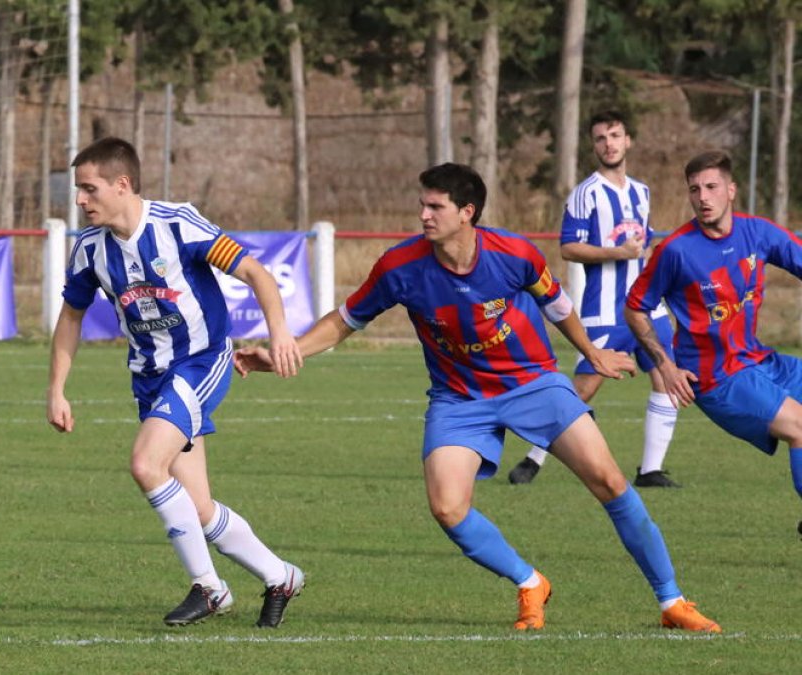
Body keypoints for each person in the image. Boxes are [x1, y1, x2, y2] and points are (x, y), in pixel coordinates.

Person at [236, 163, 719, 633]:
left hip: (532, 383)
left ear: (467, 212)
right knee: (447, 507)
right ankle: (530, 582)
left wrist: (593, 353)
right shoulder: (400, 266)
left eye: (435, 206)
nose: (423, 215)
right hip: (458, 399)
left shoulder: (514, 253)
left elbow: (559, 306)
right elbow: (344, 321)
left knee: (610, 481)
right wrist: (288, 351)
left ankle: (671, 600)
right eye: (422, 205)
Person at [47, 137, 306, 628]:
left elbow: (255, 272)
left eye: (88, 188)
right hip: (149, 378)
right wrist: (56, 389)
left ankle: (209, 589)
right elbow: (71, 316)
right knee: (200, 509)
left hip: (201, 361)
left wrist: (280, 334)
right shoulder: (88, 249)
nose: (80, 200)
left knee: (146, 464)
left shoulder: (178, 223)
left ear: (122, 185)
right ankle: (281, 575)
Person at [627, 150, 802, 533]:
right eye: (695, 189)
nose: (703, 197)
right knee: (800, 427)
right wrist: (666, 366)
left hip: (757, 359)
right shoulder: (675, 250)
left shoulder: (757, 232)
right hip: (716, 378)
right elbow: (636, 308)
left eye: (711, 187)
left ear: (731, 190)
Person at [508, 110, 680, 487]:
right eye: (601, 138)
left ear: (628, 140)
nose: (609, 144)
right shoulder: (585, 194)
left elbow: (642, 243)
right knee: (583, 389)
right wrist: (619, 253)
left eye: (615, 135)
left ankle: (651, 470)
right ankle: (534, 457)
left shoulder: (641, 191)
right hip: (605, 311)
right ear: (594, 145)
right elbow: (569, 248)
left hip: (648, 309)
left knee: (668, 379)